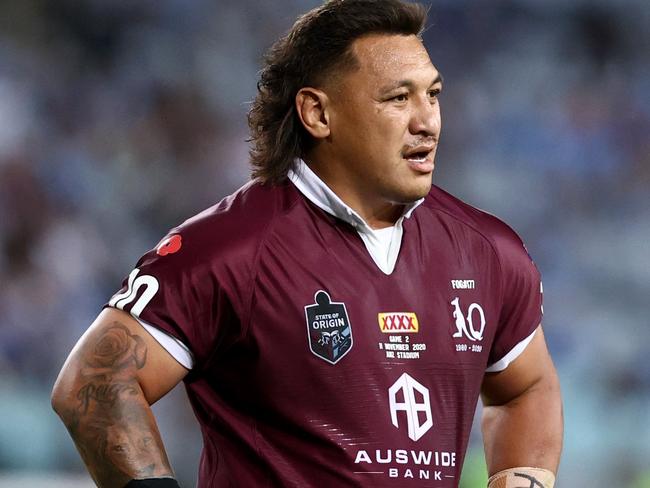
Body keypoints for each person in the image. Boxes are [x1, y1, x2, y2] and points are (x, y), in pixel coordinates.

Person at [51, 1, 563, 487]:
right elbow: (93, 385)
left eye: (433, 95)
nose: (427, 121)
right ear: (318, 113)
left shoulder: (489, 252)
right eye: (397, 97)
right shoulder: (228, 251)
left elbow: (527, 387)